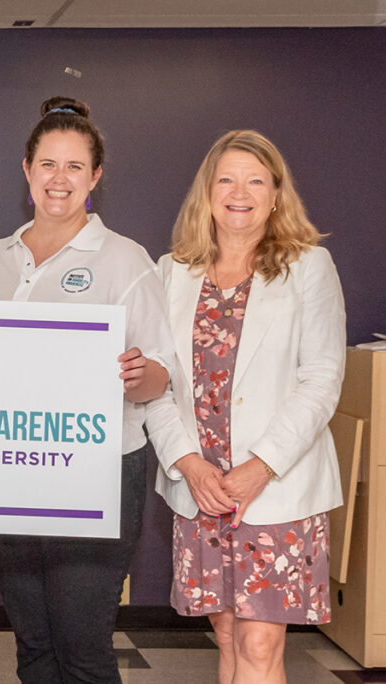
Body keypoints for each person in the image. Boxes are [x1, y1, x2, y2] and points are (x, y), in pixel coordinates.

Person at [0, 96, 173, 683]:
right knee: (33, 643)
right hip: (9, 471)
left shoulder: (125, 261)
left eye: (74, 167)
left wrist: (139, 373)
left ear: (95, 177)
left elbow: (161, 374)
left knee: (83, 647)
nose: (59, 179)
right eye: (47, 164)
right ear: (27, 170)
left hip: (96, 475)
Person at [146, 130, 346, 684]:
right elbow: (155, 385)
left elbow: (322, 379)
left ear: (277, 194)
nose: (240, 192)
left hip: (277, 487)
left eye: (256, 180)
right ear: (206, 192)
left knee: (260, 642)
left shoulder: (309, 267)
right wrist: (188, 463)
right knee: (230, 636)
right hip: (202, 489)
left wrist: (261, 466)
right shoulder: (170, 272)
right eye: (227, 179)